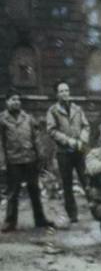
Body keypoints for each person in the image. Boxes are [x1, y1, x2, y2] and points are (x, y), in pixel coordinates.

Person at [2, 93, 51, 231]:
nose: (16, 102)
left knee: (34, 189)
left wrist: (41, 155)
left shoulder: (28, 118)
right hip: (13, 161)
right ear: (7, 102)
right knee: (13, 192)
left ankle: (40, 219)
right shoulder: (2, 120)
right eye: (13, 99)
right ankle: (10, 221)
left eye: (18, 99)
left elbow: (36, 138)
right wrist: (2, 162)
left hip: (30, 159)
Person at [44, 81, 91, 224]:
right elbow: (51, 130)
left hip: (79, 150)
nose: (65, 93)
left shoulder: (77, 109)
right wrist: (67, 140)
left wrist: (82, 139)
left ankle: (96, 208)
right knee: (67, 183)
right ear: (57, 94)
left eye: (67, 90)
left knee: (86, 179)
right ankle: (72, 214)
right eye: (61, 91)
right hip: (64, 152)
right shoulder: (53, 111)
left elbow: (86, 126)